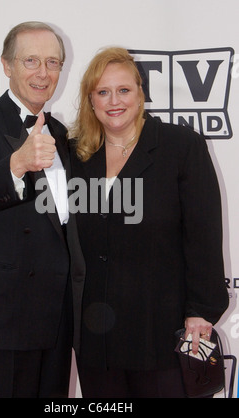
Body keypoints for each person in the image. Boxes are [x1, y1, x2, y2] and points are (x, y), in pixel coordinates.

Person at [68, 47, 229, 398]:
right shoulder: (76, 154)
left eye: (124, 90)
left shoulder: (180, 146)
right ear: (90, 99)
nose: (114, 101)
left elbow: (203, 233)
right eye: (103, 91)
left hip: (160, 329)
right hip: (96, 335)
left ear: (141, 94)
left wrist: (201, 310)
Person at [0, 21, 85, 398]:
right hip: (1, 316)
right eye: (31, 60)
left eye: (53, 62)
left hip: (55, 318)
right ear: (7, 65)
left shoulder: (62, 134)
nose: (43, 73)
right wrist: (18, 162)